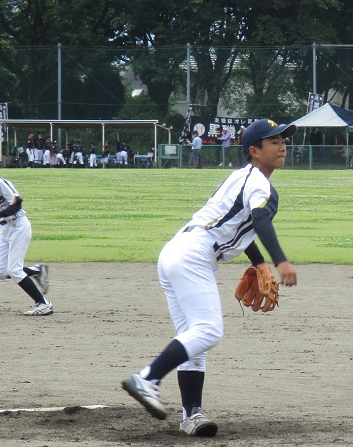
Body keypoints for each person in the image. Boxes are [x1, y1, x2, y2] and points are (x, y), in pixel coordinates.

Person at [120, 118, 298, 437]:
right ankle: (147, 379)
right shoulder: (259, 182)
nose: (282, 146)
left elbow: (237, 223)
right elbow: (260, 220)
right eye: (274, 141)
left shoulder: (239, 177)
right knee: (209, 330)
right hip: (194, 254)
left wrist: (259, 262)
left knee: (193, 338)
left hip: (176, 251)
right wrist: (280, 261)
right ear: (254, 151)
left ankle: (191, 415)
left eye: (283, 140)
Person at [0, 149, 52, 316]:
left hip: (19, 226)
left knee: (14, 270)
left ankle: (44, 304)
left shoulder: (1, 183)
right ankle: (36, 271)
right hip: (5, 229)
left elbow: (17, 203)